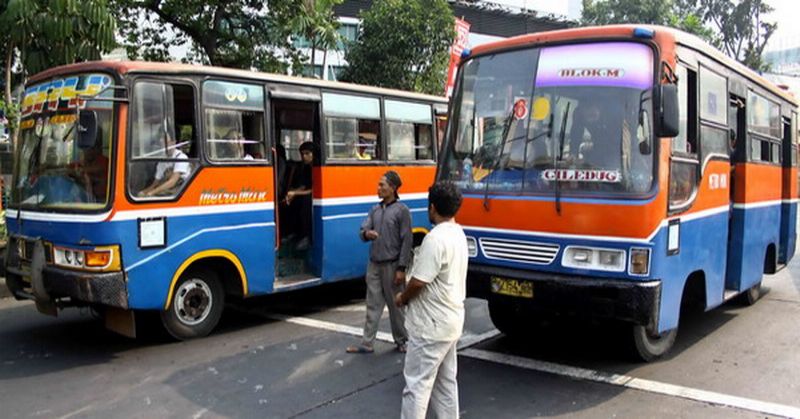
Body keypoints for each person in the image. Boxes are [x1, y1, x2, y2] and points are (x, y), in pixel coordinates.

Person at [394, 182, 468, 419]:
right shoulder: (458, 233)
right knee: (446, 383)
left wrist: (402, 298)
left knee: (416, 386)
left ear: (432, 207)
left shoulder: (435, 239)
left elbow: (419, 282)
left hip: (431, 326)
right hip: (451, 320)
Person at [347, 171, 412, 354]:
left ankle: (402, 340)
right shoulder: (375, 210)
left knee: (396, 306)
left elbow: (406, 241)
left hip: (393, 265)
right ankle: (367, 343)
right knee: (373, 304)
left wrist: (401, 268)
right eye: (379, 185)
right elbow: (363, 230)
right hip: (375, 264)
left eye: (382, 185)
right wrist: (367, 234)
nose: (379, 188)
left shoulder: (402, 211)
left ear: (393, 188)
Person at [139, 133, 190, 197]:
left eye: (166, 143)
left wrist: (152, 193)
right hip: (166, 190)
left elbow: (172, 181)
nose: (163, 146)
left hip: (180, 192)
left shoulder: (181, 157)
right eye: (162, 143)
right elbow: (156, 182)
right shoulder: (162, 160)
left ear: (173, 142)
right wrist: (144, 192)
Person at [284, 141, 314, 250]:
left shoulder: (317, 168)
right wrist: (292, 192)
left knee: (306, 201)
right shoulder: (306, 168)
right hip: (307, 192)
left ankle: (307, 236)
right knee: (293, 201)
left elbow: (313, 191)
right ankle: (294, 232)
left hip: (314, 196)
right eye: (302, 154)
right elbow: (304, 186)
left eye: (307, 153)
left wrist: (296, 193)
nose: (304, 157)